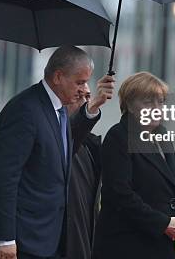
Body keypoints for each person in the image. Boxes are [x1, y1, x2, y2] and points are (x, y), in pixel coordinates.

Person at [0, 45, 115, 259]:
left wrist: (92, 107)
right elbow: (3, 179)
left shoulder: (57, 108)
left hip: (48, 236)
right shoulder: (24, 110)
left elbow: (63, 148)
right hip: (23, 239)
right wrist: (5, 239)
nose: (85, 89)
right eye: (79, 82)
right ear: (58, 77)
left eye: (86, 82)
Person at [93, 72, 175, 259]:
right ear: (130, 105)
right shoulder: (118, 137)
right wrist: (162, 223)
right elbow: (119, 194)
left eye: (161, 102)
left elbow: (173, 187)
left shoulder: (162, 135)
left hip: (159, 243)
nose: (156, 108)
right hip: (126, 245)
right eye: (148, 102)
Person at [64, 84, 101, 259]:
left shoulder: (91, 146)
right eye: (79, 97)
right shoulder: (56, 139)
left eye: (88, 97)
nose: (86, 103)